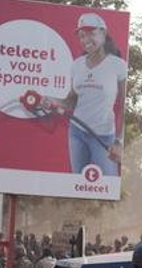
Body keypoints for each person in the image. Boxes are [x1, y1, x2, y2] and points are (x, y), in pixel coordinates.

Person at [48, 13, 126, 176]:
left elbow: (123, 106)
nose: (86, 40)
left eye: (91, 33)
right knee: (77, 182)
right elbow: (70, 102)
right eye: (82, 36)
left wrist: (119, 141)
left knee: (106, 183)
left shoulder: (118, 66)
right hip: (77, 133)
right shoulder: (76, 65)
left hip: (103, 135)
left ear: (103, 33)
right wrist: (49, 100)